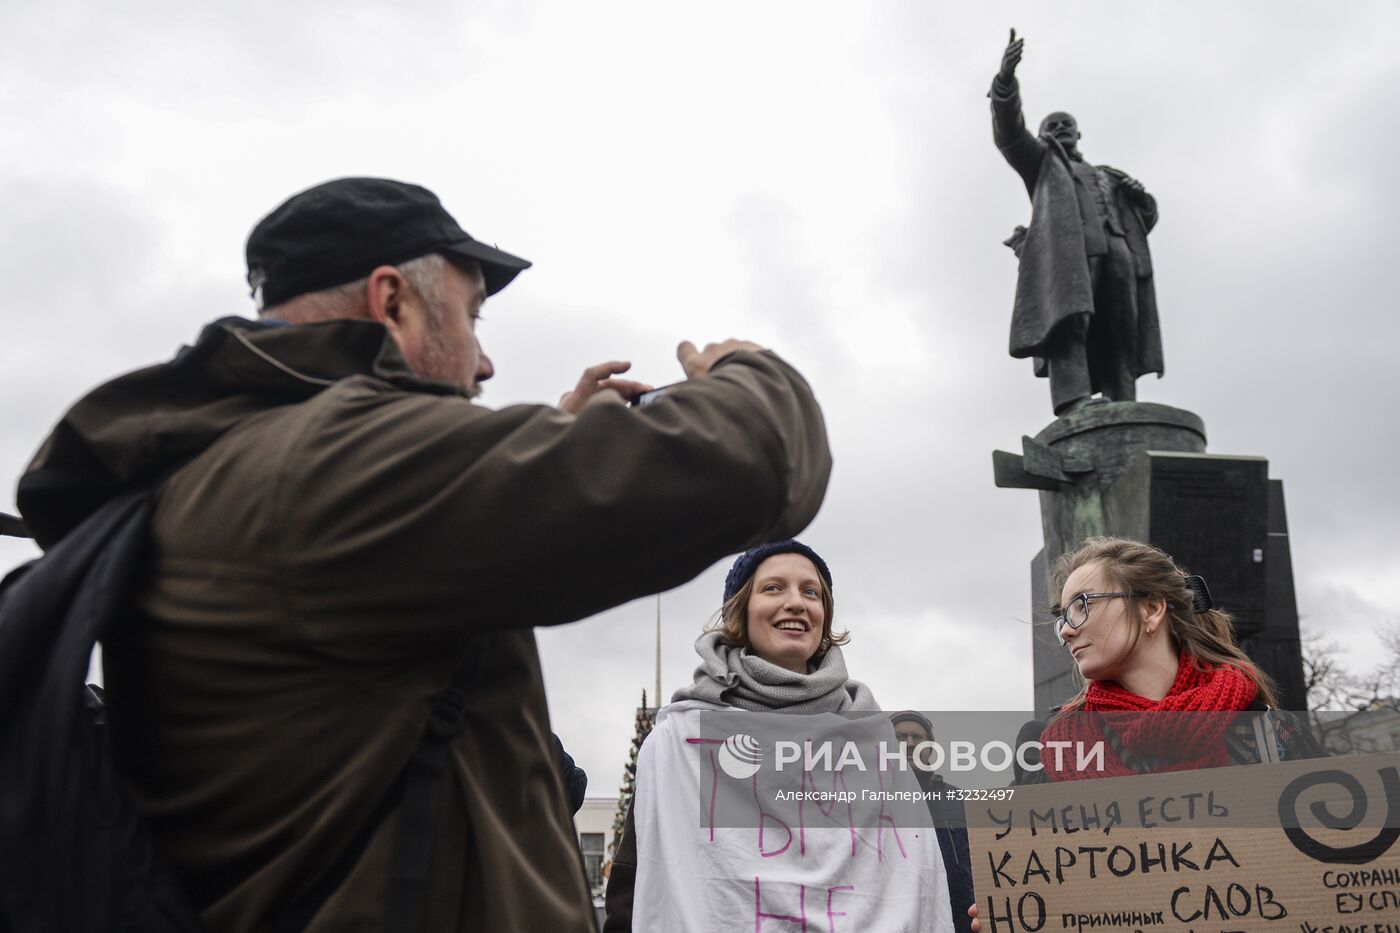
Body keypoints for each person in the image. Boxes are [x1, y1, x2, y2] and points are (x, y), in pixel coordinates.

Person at [15, 177, 833, 931]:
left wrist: (549, 439)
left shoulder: (231, 464)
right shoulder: (335, 468)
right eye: (473, 316)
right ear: (392, 300)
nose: (484, 362)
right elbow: (755, 458)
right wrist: (742, 371)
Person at [605, 541, 954, 932]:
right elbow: (637, 885)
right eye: (773, 588)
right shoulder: (682, 744)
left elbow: (917, 881)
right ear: (741, 612)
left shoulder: (874, 743)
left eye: (811, 592)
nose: (796, 603)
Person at [1021, 536, 1319, 784]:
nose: (1068, 631)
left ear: (1150, 609)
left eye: (1080, 605)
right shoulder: (1047, 746)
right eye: (1064, 618)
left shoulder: (1273, 734)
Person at [991, 29, 1163, 416]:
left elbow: (1144, 221)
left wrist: (1141, 200)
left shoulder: (1108, 174)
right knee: (1072, 320)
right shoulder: (1042, 165)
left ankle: (1122, 403)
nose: (1060, 128)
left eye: (1067, 123)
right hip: (1070, 254)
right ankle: (1074, 400)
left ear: (1079, 132)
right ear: (1041, 136)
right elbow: (1008, 133)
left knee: (1122, 326)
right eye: (1052, 125)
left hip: (1118, 250)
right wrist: (1005, 82)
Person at [891, 711, 975, 933]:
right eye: (900, 737)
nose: (909, 743)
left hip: (960, 923)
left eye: (917, 737)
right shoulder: (869, 803)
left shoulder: (959, 800)